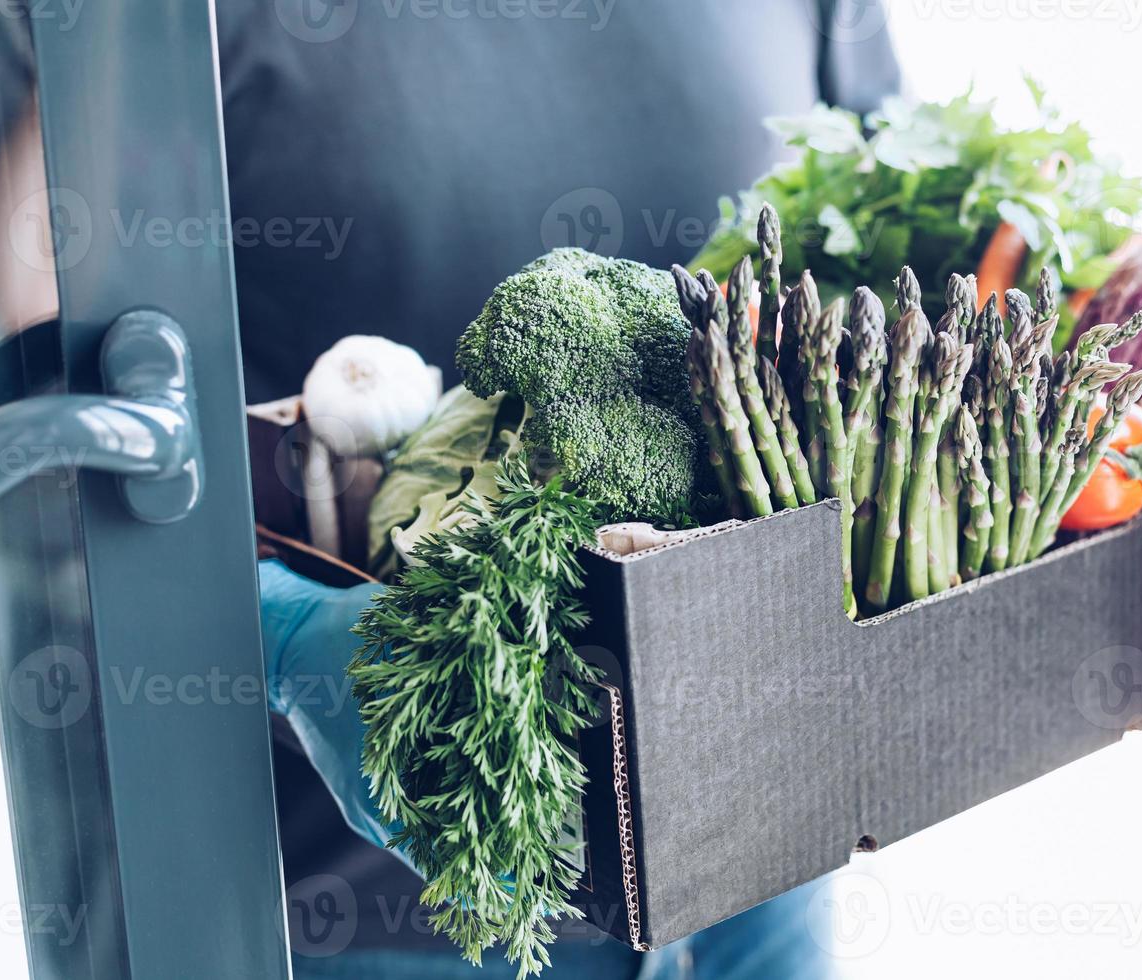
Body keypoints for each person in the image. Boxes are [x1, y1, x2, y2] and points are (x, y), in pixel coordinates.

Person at [223, 1, 903, 976]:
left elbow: (879, 233)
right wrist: (272, 626)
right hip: (399, 892)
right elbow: (55, 400)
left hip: (766, 829)